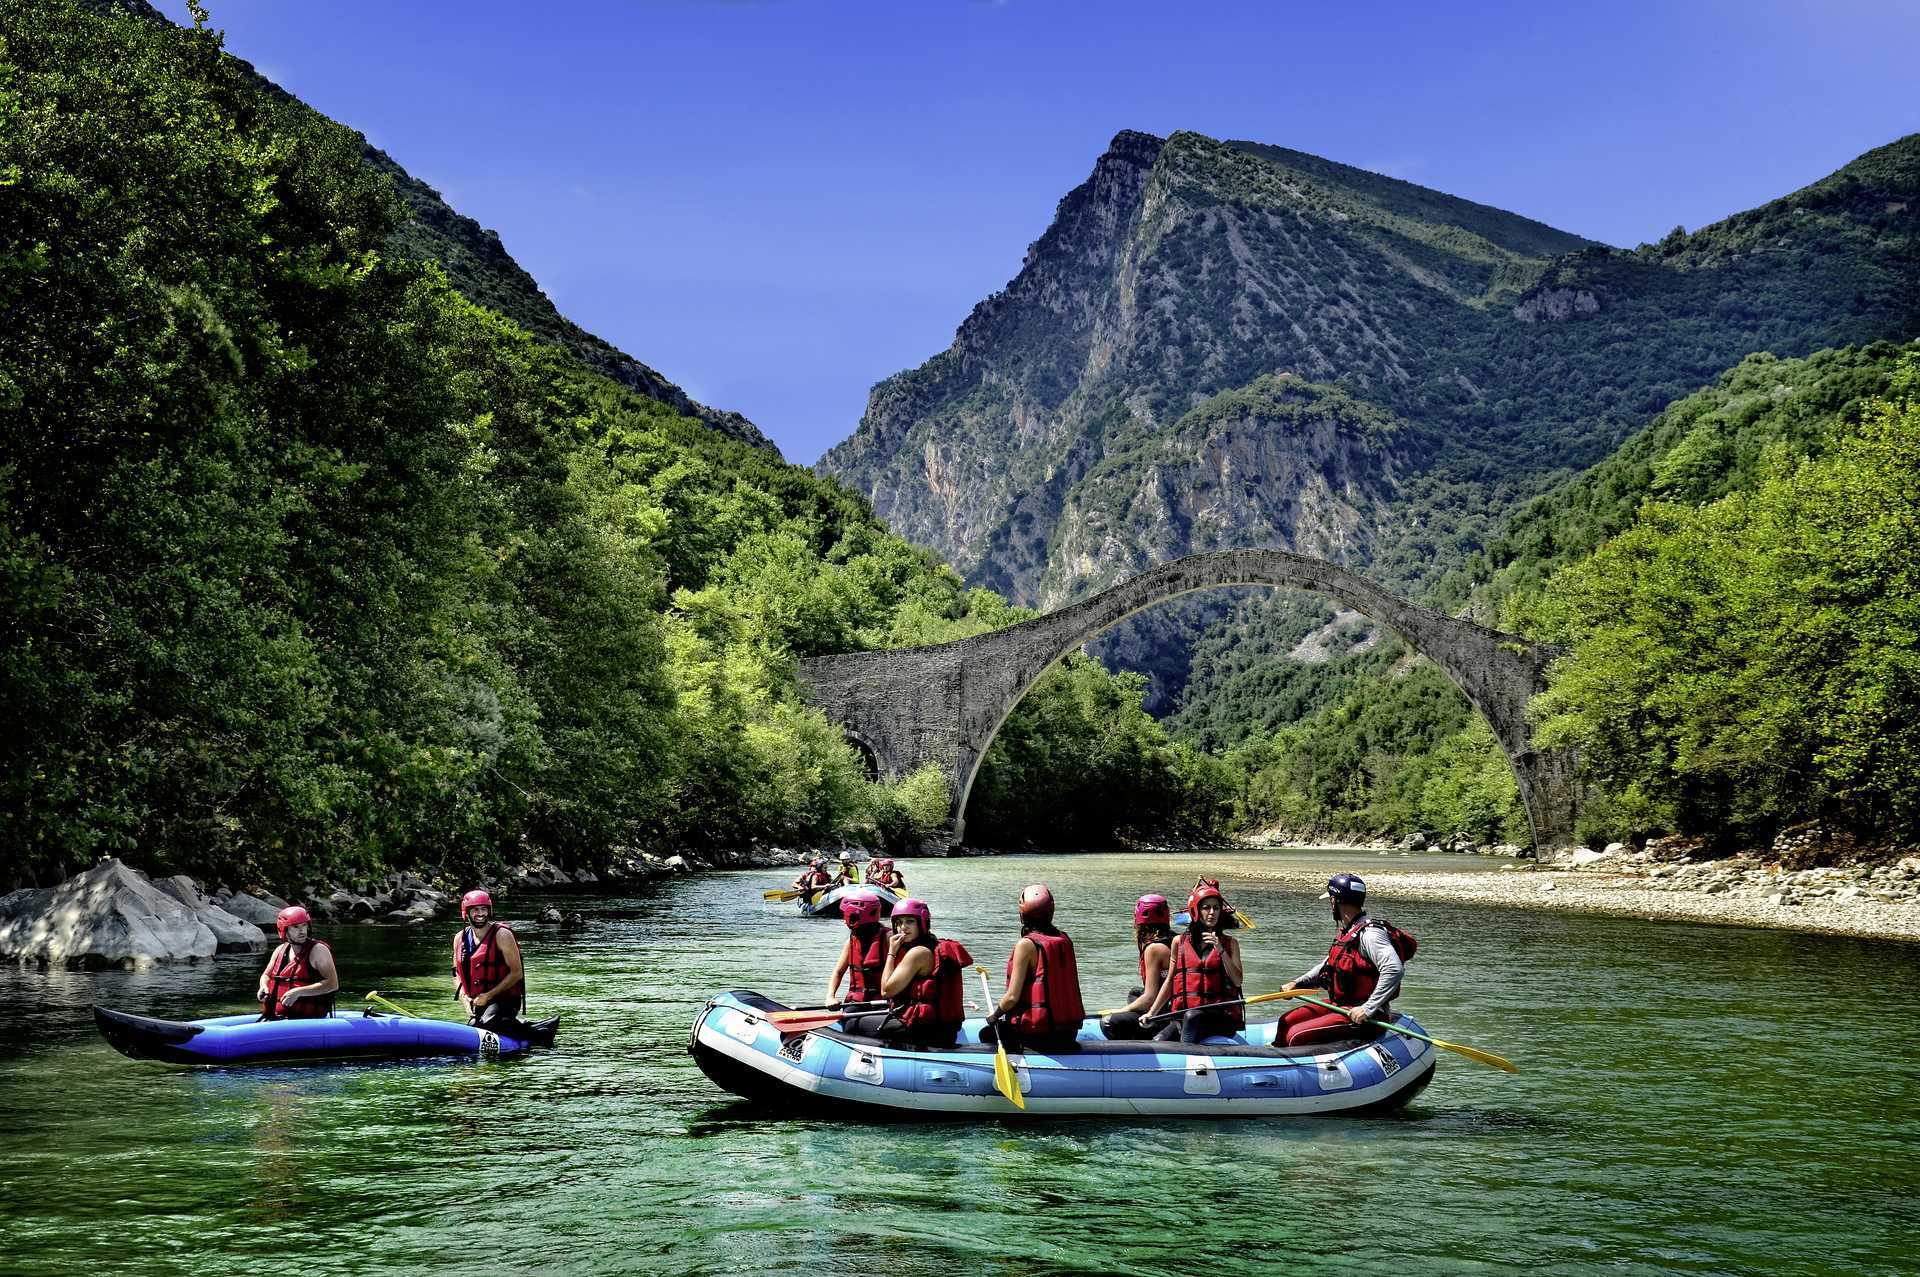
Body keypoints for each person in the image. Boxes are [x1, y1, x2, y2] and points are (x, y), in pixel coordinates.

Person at [1276, 872, 1408, 1047]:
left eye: (1330, 899)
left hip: (1366, 1013)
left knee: (1295, 1035)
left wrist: (1367, 1008)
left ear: (1335, 901)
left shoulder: (1370, 935)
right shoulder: (1349, 931)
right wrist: (1297, 984)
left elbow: (1394, 969)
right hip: (1340, 1004)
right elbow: (1327, 966)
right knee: (1286, 1021)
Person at [839, 898, 972, 1045]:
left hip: (925, 1030)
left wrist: (891, 952)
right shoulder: (933, 946)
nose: (903, 927)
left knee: (852, 1023)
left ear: (922, 923)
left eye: (910, 921)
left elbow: (886, 990)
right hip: (941, 1028)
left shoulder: (918, 953)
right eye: (899, 922)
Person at [1144, 883, 1245, 1042]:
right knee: (1159, 1040)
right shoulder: (1179, 942)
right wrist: (1152, 1013)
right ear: (1196, 911)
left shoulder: (1230, 944)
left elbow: (1237, 980)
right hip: (1185, 1016)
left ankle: (1186, 1058)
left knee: (1192, 1017)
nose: (1212, 913)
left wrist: (1221, 951)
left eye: (1216, 908)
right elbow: (1170, 981)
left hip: (1220, 1018)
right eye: (1206, 908)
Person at [989, 884, 1085, 1050]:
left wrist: (994, 1015)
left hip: (1038, 1033)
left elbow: (1012, 997)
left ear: (1022, 914)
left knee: (987, 1033)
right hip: (1069, 1032)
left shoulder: (1026, 945)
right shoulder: (1064, 939)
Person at [451, 889, 526, 1032]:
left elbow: (517, 973)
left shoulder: (502, 935)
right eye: (475, 909)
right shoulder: (459, 938)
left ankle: (528, 1031)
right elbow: (456, 974)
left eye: (484, 909)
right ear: (466, 912)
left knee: (486, 1025)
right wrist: (464, 998)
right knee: (474, 1027)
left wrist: (488, 995)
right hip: (478, 1001)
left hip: (505, 1000)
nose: (480, 913)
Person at [1101, 894, 1174, 1040]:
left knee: (1108, 1023)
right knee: (1134, 993)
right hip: (1169, 1003)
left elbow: (1150, 997)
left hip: (1163, 1012)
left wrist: (1121, 1011)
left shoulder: (1154, 948)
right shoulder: (1173, 939)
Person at [257, 905, 339, 1021]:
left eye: (304, 925)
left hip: (309, 1021)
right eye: (295, 927)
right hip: (278, 1019)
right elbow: (266, 975)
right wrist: (263, 986)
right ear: (284, 930)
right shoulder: (280, 950)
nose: (302, 931)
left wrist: (298, 992)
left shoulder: (318, 950)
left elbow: (332, 984)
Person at [826, 890, 888, 1009]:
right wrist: (830, 996)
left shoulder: (888, 938)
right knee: (850, 1022)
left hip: (883, 1002)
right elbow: (838, 972)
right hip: (857, 1001)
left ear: (854, 915)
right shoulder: (851, 942)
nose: (844, 920)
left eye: (845, 915)